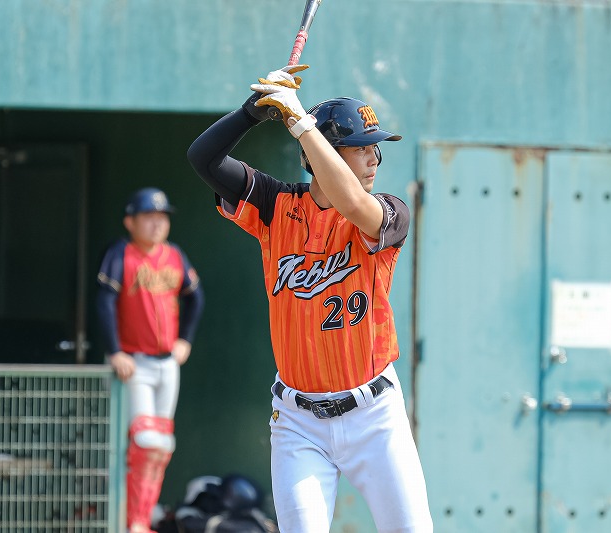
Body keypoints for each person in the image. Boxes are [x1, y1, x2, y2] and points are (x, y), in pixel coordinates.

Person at [186, 66, 433, 533]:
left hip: (374, 415)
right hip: (299, 422)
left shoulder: (389, 211)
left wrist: (299, 121)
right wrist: (251, 113)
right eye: (361, 147)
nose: (374, 158)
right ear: (323, 154)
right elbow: (203, 158)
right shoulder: (275, 204)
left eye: (375, 148)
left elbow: (352, 205)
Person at [96, 187, 204, 533]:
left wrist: (185, 340)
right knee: (144, 443)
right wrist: (115, 350)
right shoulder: (121, 254)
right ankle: (133, 521)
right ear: (130, 222)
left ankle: (142, 517)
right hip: (134, 362)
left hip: (166, 363)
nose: (157, 223)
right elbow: (104, 302)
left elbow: (196, 298)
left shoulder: (174, 255)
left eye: (162, 217)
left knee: (160, 446)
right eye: (149, 217)